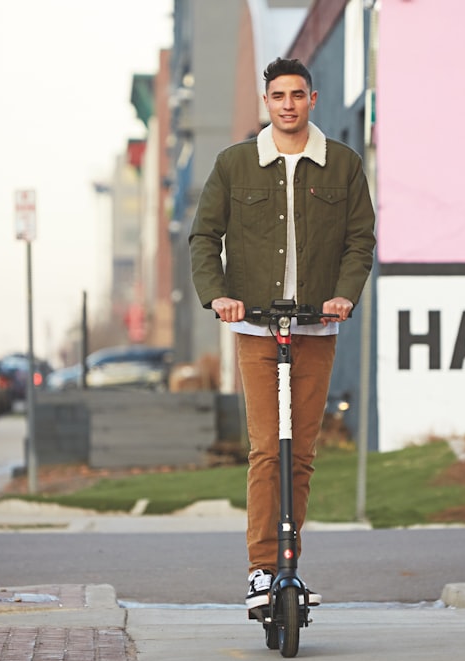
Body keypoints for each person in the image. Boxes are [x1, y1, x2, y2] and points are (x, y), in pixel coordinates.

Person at [189, 57, 376, 612]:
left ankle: (289, 566)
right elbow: (204, 237)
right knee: (268, 449)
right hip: (255, 327)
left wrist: (344, 294)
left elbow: (359, 240)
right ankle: (261, 570)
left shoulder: (341, 164)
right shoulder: (234, 164)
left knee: (303, 454)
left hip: (317, 326)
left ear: (312, 100)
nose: (288, 104)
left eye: (298, 94)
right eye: (278, 96)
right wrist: (218, 295)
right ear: (265, 102)